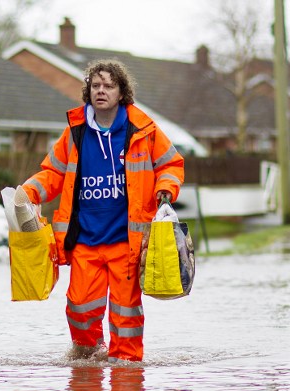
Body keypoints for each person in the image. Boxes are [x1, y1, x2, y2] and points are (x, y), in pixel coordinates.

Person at [20, 59, 184, 363]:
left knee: (125, 313)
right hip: (85, 239)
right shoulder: (75, 132)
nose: (101, 91)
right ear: (88, 90)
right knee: (79, 306)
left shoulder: (142, 129)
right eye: (95, 85)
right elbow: (52, 174)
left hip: (126, 241)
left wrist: (166, 188)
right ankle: (89, 352)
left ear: (121, 92)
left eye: (109, 85)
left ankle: (127, 370)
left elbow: (170, 164)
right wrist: (27, 193)